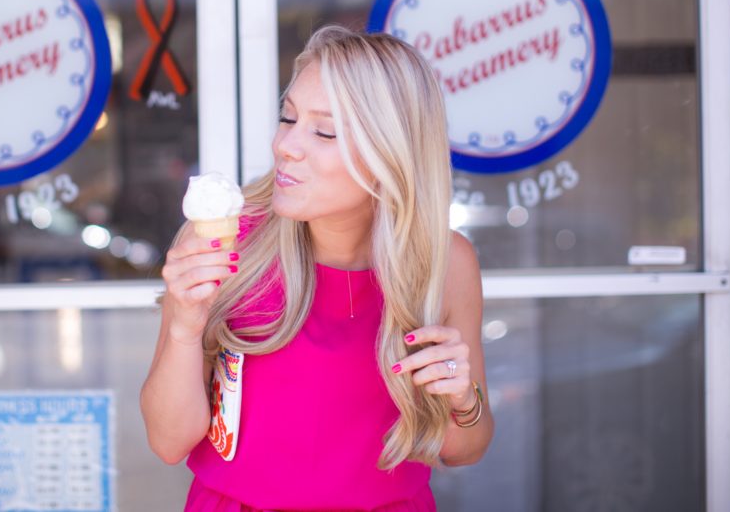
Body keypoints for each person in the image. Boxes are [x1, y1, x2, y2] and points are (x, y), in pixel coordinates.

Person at [141, 26, 493, 511]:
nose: (286, 144)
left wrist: (461, 398)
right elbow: (167, 441)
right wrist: (184, 328)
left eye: (324, 131)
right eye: (288, 118)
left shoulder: (446, 262)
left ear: (389, 155)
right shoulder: (227, 248)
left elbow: (466, 449)